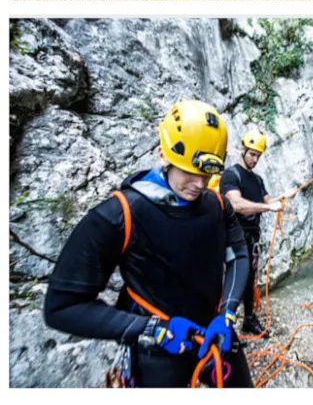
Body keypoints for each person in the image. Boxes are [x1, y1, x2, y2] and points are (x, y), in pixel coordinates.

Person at [44, 100, 252, 388]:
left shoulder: (216, 205)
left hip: (215, 334)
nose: (200, 183)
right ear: (162, 154)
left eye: (206, 174)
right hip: (158, 347)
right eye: (189, 171)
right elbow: (62, 307)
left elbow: (238, 254)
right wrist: (150, 327)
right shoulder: (119, 215)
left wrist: (227, 313)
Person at [219, 130, 297, 337]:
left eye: (258, 156)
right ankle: (225, 328)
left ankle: (248, 320)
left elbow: (268, 201)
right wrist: (268, 208)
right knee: (234, 280)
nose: (255, 159)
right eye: (252, 154)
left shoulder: (258, 180)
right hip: (233, 238)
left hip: (251, 237)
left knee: (249, 278)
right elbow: (236, 204)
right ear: (242, 149)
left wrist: (283, 196)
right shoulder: (231, 175)